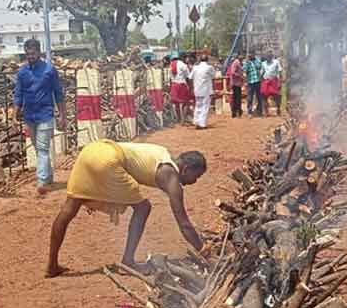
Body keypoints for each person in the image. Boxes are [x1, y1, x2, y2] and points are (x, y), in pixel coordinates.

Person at [45, 141, 207, 277]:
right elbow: (184, 224)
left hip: (90, 151)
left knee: (70, 207)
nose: (195, 181)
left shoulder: (162, 153)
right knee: (143, 208)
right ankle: (128, 261)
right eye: (196, 176)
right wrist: (204, 249)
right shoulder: (170, 176)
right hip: (109, 160)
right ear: (185, 169)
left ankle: (52, 265)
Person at [14, 39, 67, 195]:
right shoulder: (22, 72)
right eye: (27, 53)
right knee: (38, 149)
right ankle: (48, 176)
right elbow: (18, 94)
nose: (30, 56)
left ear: (39, 52)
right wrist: (14, 114)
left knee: (43, 148)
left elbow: (58, 94)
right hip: (29, 116)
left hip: (46, 114)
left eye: (33, 53)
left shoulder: (49, 70)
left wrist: (62, 115)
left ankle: (41, 180)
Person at [190, 54, 216, 129]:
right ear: (207, 60)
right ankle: (202, 123)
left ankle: (196, 122)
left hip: (197, 89)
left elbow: (190, 78)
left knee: (198, 105)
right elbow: (214, 77)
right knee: (205, 106)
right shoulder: (209, 67)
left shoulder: (195, 68)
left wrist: (192, 88)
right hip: (206, 90)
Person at [169, 53, 193, 124]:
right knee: (185, 102)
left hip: (174, 84)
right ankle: (183, 120)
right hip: (181, 84)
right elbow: (188, 77)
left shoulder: (171, 65)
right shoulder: (183, 65)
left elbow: (170, 78)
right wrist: (190, 86)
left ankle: (178, 119)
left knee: (176, 103)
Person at [260, 51, 282, 116]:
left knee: (277, 96)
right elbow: (262, 72)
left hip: (274, 81)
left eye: (269, 56)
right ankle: (266, 112)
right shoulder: (263, 63)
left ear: (272, 57)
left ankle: (278, 109)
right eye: (267, 57)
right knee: (264, 96)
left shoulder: (276, 62)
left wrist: (280, 82)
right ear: (266, 57)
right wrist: (261, 82)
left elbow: (280, 71)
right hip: (266, 81)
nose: (268, 58)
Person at [244, 51, 263, 117]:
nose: (250, 55)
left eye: (251, 54)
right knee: (250, 98)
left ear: (253, 54)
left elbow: (260, 67)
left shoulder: (257, 60)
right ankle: (249, 112)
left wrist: (261, 75)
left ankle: (259, 111)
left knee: (259, 97)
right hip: (250, 82)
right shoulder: (246, 62)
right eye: (249, 54)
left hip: (258, 81)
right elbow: (245, 71)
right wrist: (247, 63)